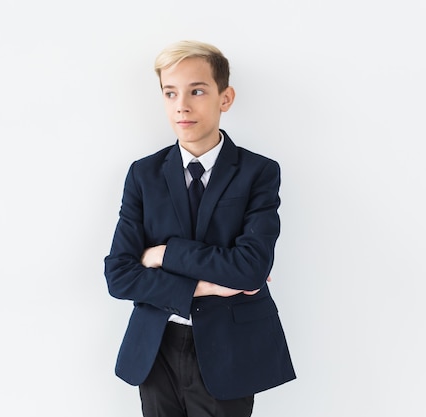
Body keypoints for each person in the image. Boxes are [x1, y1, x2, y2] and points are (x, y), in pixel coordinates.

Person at [104, 40, 296, 417]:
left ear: (225, 98)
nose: (182, 105)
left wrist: (162, 254)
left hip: (229, 348)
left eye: (196, 91)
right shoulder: (144, 174)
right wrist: (202, 286)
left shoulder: (258, 172)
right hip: (155, 346)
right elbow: (119, 275)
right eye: (170, 93)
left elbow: (250, 268)